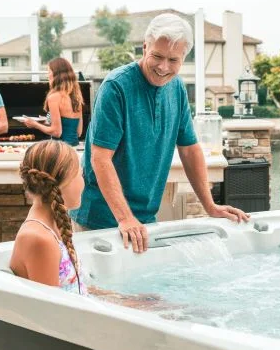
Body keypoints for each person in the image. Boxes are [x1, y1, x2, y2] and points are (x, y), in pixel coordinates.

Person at [72, 13, 249, 252]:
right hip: (99, 219)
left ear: (183, 58)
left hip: (144, 218)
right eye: (157, 56)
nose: (163, 67)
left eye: (173, 60)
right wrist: (124, 218)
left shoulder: (176, 88)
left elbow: (189, 149)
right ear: (145, 48)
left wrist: (210, 205)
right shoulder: (116, 87)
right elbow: (100, 158)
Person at [9, 140, 86, 294]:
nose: (84, 182)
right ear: (63, 183)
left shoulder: (53, 224)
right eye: (80, 174)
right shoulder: (39, 239)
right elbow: (52, 313)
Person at [22, 57, 83, 146]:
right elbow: (78, 132)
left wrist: (35, 124)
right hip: (74, 148)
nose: (47, 75)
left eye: (49, 71)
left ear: (56, 74)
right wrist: (45, 122)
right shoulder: (76, 97)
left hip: (60, 150)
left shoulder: (54, 97)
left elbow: (56, 132)